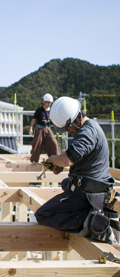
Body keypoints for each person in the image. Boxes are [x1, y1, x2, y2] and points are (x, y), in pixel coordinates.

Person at [35, 96, 118, 244]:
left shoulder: (86, 134)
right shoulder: (90, 127)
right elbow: (75, 159)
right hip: (95, 187)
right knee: (66, 182)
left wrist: (54, 159)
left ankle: (94, 222)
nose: (68, 131)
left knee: (43, 214)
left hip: (90, 192)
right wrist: (60, 164)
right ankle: (95, 211)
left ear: (77, 118)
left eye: (68, 127)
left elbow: (68, 159)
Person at [29, 93, 61, 163]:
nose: (49, 104)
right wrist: (30, 128)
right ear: (44, 102)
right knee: (37, 145)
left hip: (48, 129)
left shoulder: (52, 111)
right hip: (39, 129)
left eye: (50, 103)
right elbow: (33, 119)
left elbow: (54, 122)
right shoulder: (39, 110)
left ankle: (56, 159)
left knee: (53, 143)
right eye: (48, 102)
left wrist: (56, 131)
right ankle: (34, 161)